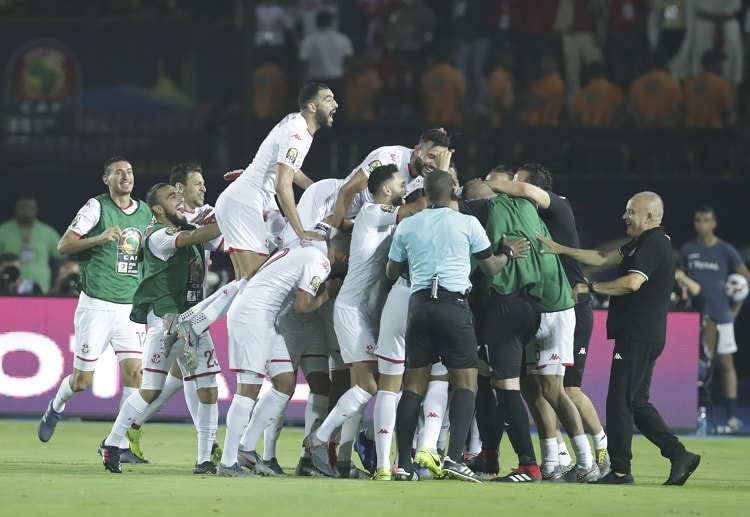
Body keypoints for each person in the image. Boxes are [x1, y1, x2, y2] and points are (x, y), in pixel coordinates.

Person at [537, 191, 701, 485]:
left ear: (650, 217)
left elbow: (632, 283)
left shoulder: (653, 243)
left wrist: (591, 287)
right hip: (642, 332)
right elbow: (602, 256)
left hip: (639, 333)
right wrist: (561, 249)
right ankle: (679, 455)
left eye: (630, 212)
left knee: (619, 402)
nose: (624, 217)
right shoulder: (642, 243)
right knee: (636, 401)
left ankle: (621, 471)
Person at [386, 169, 528, 483]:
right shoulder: (467, 223)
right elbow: (490, 267)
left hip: (419, 307)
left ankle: (403, 466)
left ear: (424, 193)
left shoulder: (408, 225)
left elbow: (391, 271)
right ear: (453, 191)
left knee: (412, 388)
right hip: (453, 306)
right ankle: (453, 458)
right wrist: (507, 251)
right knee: (466, 384)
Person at [178, 83, 337, 347]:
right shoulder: (297, 132)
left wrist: (319, 192)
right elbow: (282, 184)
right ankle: (194, 325)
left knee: (247, 282)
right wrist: (299, 229)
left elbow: (289, 171)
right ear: (312, 106)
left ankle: (190, 322)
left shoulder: (299, 128)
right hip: (245, 203)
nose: (335, 104)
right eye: (329, 99)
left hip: (246, 201)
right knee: (255, 283)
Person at [487, 163, 610, 480]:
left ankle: (595, 457)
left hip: (569, 303)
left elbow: (525, 190)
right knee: (532, 390)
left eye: (516, 184)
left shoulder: (557, 205)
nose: (513, 190)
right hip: (536, 307)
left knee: (565, 390)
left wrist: (488, 185)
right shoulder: (526, 216)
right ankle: (552, 462)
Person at [304, 163, 426, 478]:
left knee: (367, 386)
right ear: (386, 190)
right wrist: (432, 178)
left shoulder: (379, 218)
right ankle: (317, 441)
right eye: (401, 182)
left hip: (367, 313)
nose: (404, 186)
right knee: (369, 385)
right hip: (352, 310)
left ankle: (343, 462)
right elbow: (417, 207)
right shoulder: (374, 212)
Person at [97, 182, 222, 474]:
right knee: (150, 390)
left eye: (180, 196)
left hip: (192, 322)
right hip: (166, 323)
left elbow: (207, 236)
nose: (180, 201)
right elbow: (195, 236)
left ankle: (204, 459)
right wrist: (229, 217)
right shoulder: (157, 236)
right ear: (156, 208)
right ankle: (113, 442)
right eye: (172, 197)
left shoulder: (182, 230)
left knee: (208, 388)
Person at [37, 156, 153, 464]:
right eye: (118, 172)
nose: (126, 176)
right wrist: (100, 238)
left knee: (135, 377)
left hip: (130, 308)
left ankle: (119, 445)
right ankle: (56, 407)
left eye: (129, 171)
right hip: (97, 306)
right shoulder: (96, 207)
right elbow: (64, 245)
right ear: (106, 179)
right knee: (82, 381)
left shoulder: (144, 212)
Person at [216, 230, 351, 477]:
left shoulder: (304, 247)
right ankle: (227, 462)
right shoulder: (319, 261)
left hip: (268, 319)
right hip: (252, 317)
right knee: (248, 388)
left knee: (285, 383)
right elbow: (303, 306)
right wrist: (328, 294)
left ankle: (246, 448)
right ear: (344, 257)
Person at [680, 205, 750, 433]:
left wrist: (735, 309)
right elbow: (682, 281)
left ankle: (731, 418)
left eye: (706, 220)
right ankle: (687, 416)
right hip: (693, 319)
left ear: (714, 223)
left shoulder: (726, 250)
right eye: (698, 220)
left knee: (726, 365)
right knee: (691, 368)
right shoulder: (688, 250)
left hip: (721, 317)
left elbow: (745, 280)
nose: (701, 224)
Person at [0, 194, 61, 293]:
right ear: (16, 209)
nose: (26, 211)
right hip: (8, 287)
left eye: (30, 208)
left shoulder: (48, 232)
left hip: (41, 288)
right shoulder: (3, 230)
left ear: (36, 210)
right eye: (22, 207)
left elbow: (62, 259)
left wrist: (56, 286)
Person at [298, 9, 353, 98]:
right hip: (337, 79)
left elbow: (303, 63)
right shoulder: (343, 39)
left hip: (316, 81)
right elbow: (349, 60)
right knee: (338, 107)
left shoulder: (309, 41)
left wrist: (302, 82)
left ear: (317, 23)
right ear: (331, 22)